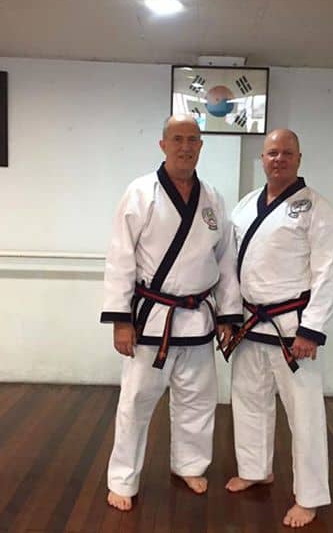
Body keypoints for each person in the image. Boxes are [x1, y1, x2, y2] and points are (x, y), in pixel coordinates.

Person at [100, 114, 242, 511]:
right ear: (163, 145)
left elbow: (225, 259)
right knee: (136, 402)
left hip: (197, 317)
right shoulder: (141, 192)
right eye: (177, 139)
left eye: (192, 139)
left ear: (201, 146)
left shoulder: (212, 198)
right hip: (152, 319)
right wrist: (121, 320)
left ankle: (189, 466)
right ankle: (122, 480)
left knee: (197, 399)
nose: (185, 146)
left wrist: (228, 314)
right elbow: (120, 257)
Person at [224, 129, 333, 528]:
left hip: (292, 328)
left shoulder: (317, 209)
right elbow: (230, 265)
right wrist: (229, 316)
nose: (279, 159)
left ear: (299, 158)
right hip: (249, 323)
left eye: (287, 153)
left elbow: (328, 272)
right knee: (248, 401)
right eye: (272, 152)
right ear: (262, 158)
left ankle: (309, 497)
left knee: (304, 415)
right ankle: (255, 469)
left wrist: (311, 330)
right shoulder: (245, 205)